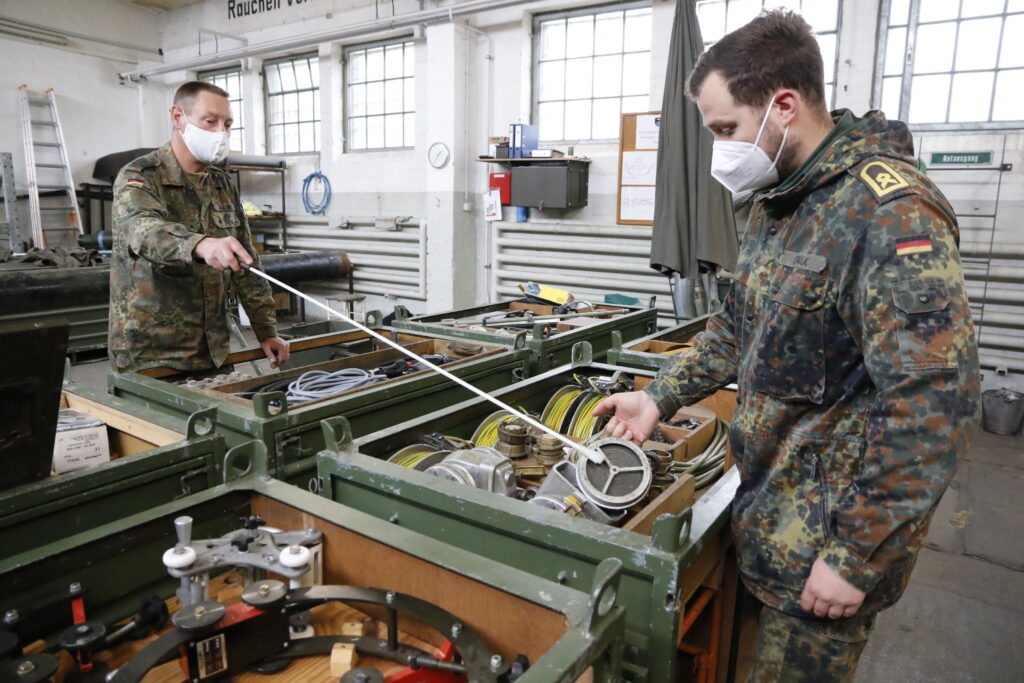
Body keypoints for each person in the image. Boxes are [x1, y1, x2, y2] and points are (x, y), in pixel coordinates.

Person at [594, 10, 980, 681]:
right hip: (770, 514)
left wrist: (858, 553)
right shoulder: (778, 205)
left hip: (828, 546)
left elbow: (934, 404)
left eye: (725, 130)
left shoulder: (888, 213)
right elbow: (738, 331)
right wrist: (658, 397)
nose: (720, 150)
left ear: (783, 106)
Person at [108, 81, 289, 373]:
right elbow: (142, 231)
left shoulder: (221, 183)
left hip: (212, 349)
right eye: (210, 121)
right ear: (178, 117)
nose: (221, 132)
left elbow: (247, 264)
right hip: (153, 354)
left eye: (227, 124)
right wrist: (201, 245)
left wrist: (266, 330)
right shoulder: (140, 176)